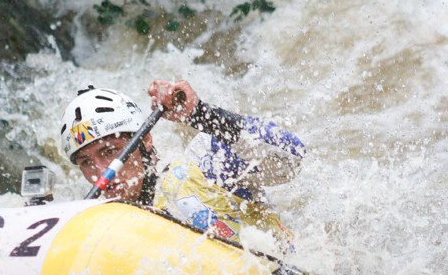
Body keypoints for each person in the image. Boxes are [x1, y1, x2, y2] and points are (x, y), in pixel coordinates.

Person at [59, 80, 305, 249]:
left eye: (110, 151)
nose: (101, 172)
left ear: (145, 140)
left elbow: (292, 156)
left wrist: (201, 115)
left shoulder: (204, 163)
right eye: (87, 162)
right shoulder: (100, 222)